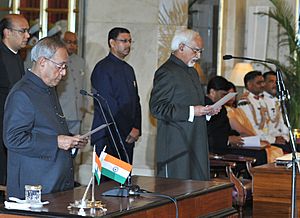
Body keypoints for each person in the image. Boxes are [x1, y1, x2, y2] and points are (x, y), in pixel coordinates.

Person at [3, 37, 88, 198]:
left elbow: (47, 130)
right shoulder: (22, 93)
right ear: (42, 61)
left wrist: (70, 140)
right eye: (60, 67)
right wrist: (57, 141)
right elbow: (13, 139)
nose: (63, 73)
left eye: (65, 67)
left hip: (55, 183)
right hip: (35, 187)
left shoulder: (48, 88)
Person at [149, 29, 220, 181]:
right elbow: (157, 107)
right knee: (177, 191)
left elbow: (195, 106)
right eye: (195, 51)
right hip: (176, 144)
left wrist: (207, 112)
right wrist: (192, 111)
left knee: (197, 189)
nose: (198, 56)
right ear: (181, 47)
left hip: (196, 140)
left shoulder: (192, 72)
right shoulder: (166, 72)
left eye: (200, 51)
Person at [90, 27, 141, 165]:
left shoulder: (128, 69)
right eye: (124, 41)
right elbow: (108, 105)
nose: (128, 45)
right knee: (107, 185)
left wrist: (136, 127)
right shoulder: (102, 68)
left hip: (127, 136)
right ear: (112, 43)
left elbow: (136, 101)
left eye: (130, 41)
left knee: (124, 182)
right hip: (108, 135)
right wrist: (127, 130)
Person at [0, 14, 30, 200]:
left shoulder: (17, 57)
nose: (27, 35)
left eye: (27, 31)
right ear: (7, 32)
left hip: (12, 125)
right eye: (23, 31)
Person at [205, 76, 244, 154]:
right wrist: (227, 140)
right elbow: (207, 133)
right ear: (212, 92)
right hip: (214, 150)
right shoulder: (205, 107)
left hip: (224, 146)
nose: (226, 98)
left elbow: (225, 128)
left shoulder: (220, 107)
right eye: (223, 95)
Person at [57, 31, 86, 135]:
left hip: (77, 112)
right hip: (62, 111)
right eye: (69, 42)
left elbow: (84, 87)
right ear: (62, 43)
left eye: (74, 42)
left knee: (75, 145)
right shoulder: (56, 60)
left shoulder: (80, 62)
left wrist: (84, 107)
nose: (72, 45)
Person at [263, 71, 289, 144]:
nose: (275, 84)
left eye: (276, 82)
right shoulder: (260, 100)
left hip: (281, 138)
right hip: (269, 140)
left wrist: (288, 135)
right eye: (271, 81)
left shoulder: (277, 100)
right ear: (263, 83)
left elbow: (281, 122)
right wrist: (274, 139)